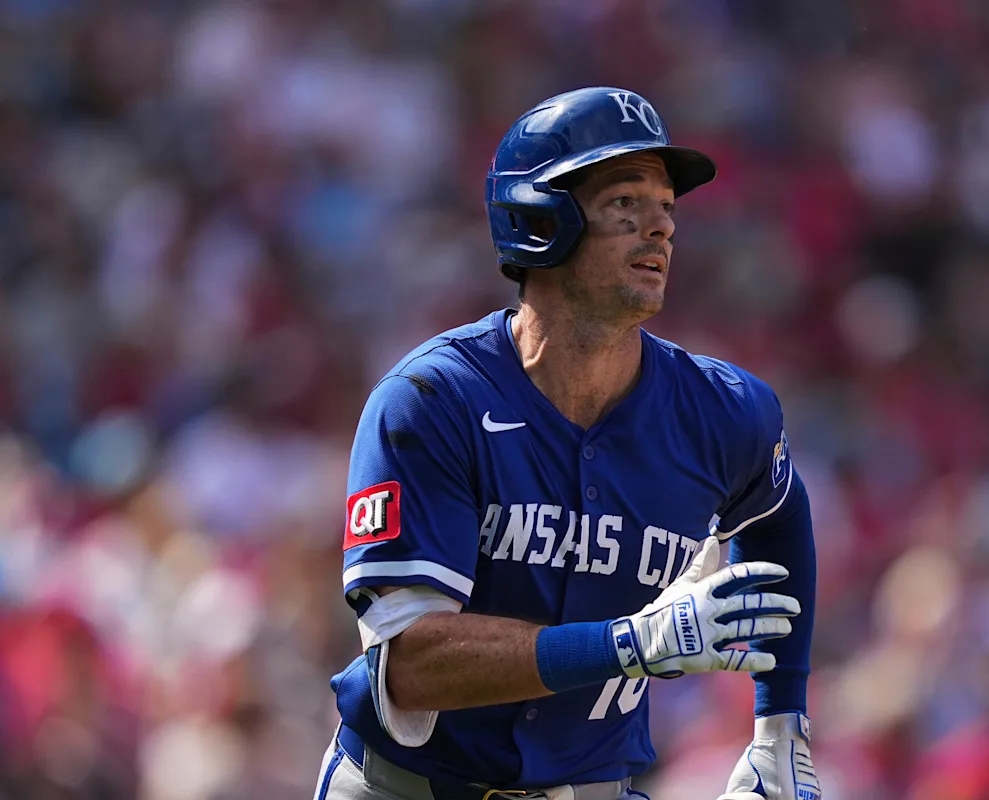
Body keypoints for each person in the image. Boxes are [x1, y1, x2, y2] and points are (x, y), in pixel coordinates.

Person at [314, 86, 820, 800]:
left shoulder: (725, 410)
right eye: (625, 203)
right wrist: (631, 644)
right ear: (538, 220)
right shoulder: (433, 400)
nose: (660, 228)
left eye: (666, 206)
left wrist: (779, 729)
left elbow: (779, 514)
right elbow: (411, 667)